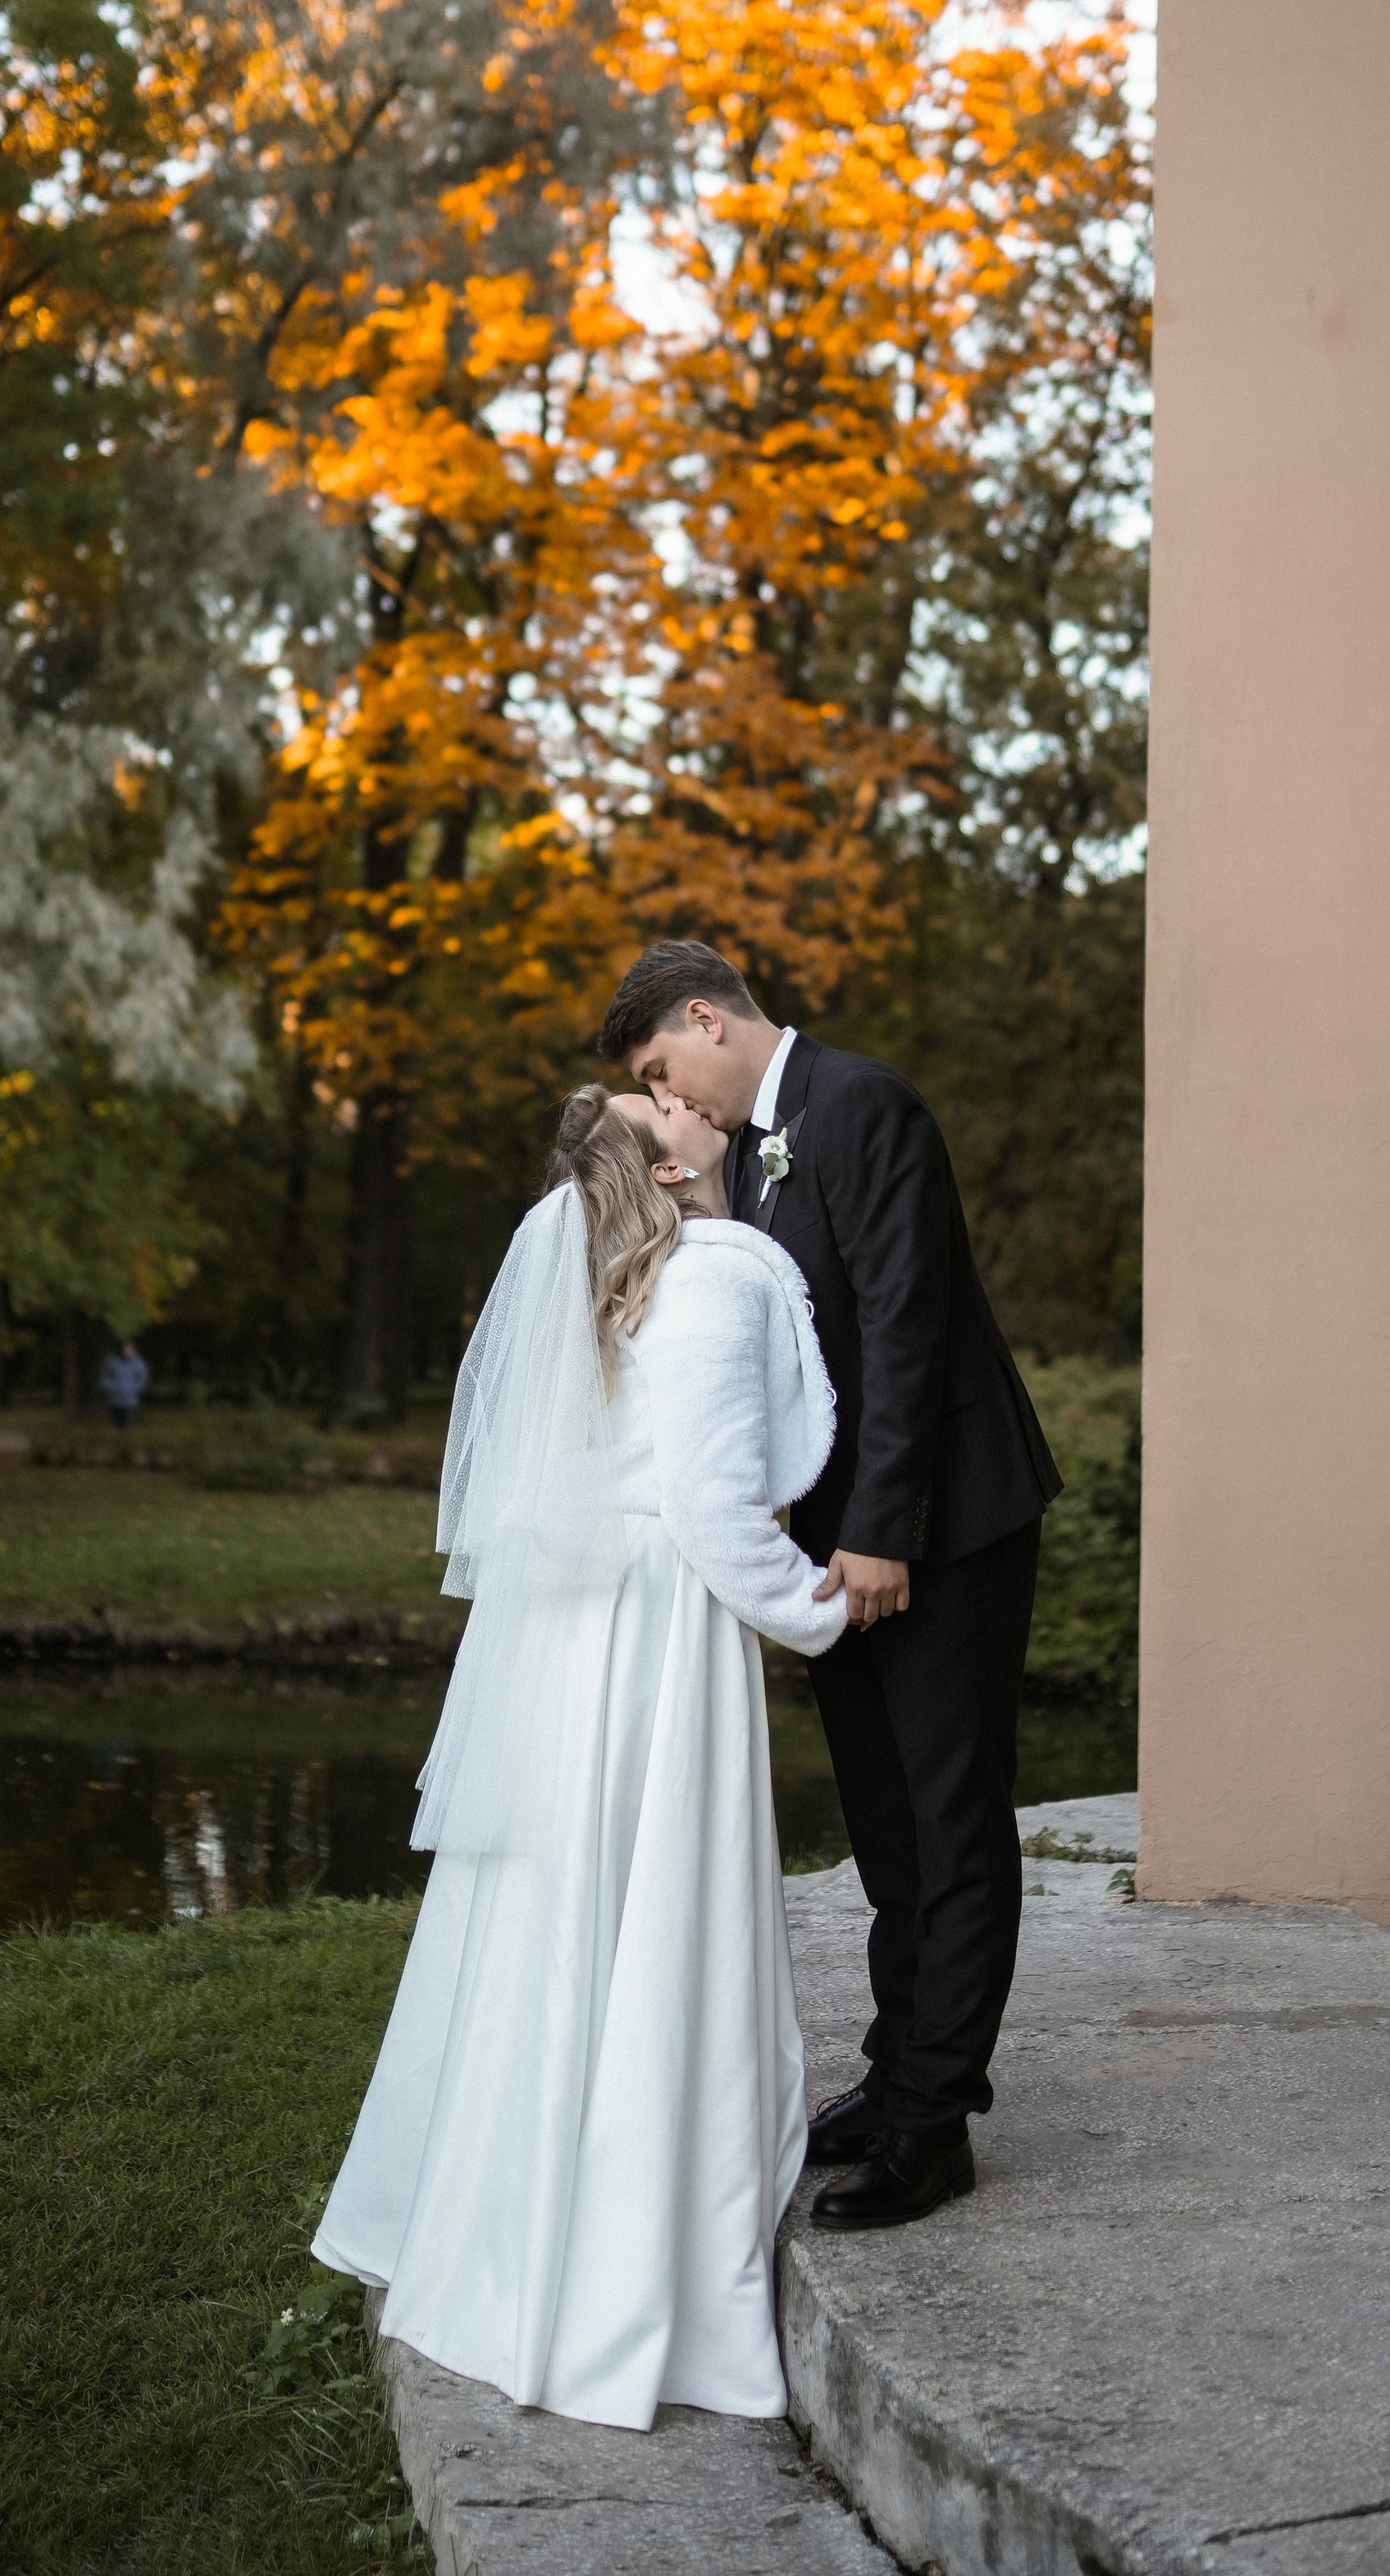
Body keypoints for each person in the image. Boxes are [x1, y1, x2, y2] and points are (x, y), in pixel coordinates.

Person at [312, 1085, 848, 2429]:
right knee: (658, 1909)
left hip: (564, 1643)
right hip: (664, 1630)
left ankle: (523, 2239)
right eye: (656, 1103)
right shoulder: (716, 1275)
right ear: (659, 1171)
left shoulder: (585, 1265)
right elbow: (719, 1514)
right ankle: (632, 2259)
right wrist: (828, 1610)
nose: (684, 1098)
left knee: (562, 1919)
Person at [598, 940, 1061, 2231]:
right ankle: (896, 2067)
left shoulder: (864, 1104)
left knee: (951, 1814)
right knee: (883, 1821)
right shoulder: (749, 1149)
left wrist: (883, 1530)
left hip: (942, 1522)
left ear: (705, 1017)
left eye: (660, 1067)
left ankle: (935, 2126)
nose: (669, 1095)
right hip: (839, 1540)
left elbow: (908, 1323)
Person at [98, 1339, 148, 1434]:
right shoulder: (112, 1361)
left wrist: (134, 1390)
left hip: (131, 1400)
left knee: (128, 1424)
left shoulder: (138, 1363)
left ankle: (126, 1442)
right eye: (125, 1348)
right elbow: (105, 1376)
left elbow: (143, 1379)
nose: (127, 1351)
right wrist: (110, 1389)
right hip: (114, 1399)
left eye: (129, 1349)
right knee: (116, 1424)